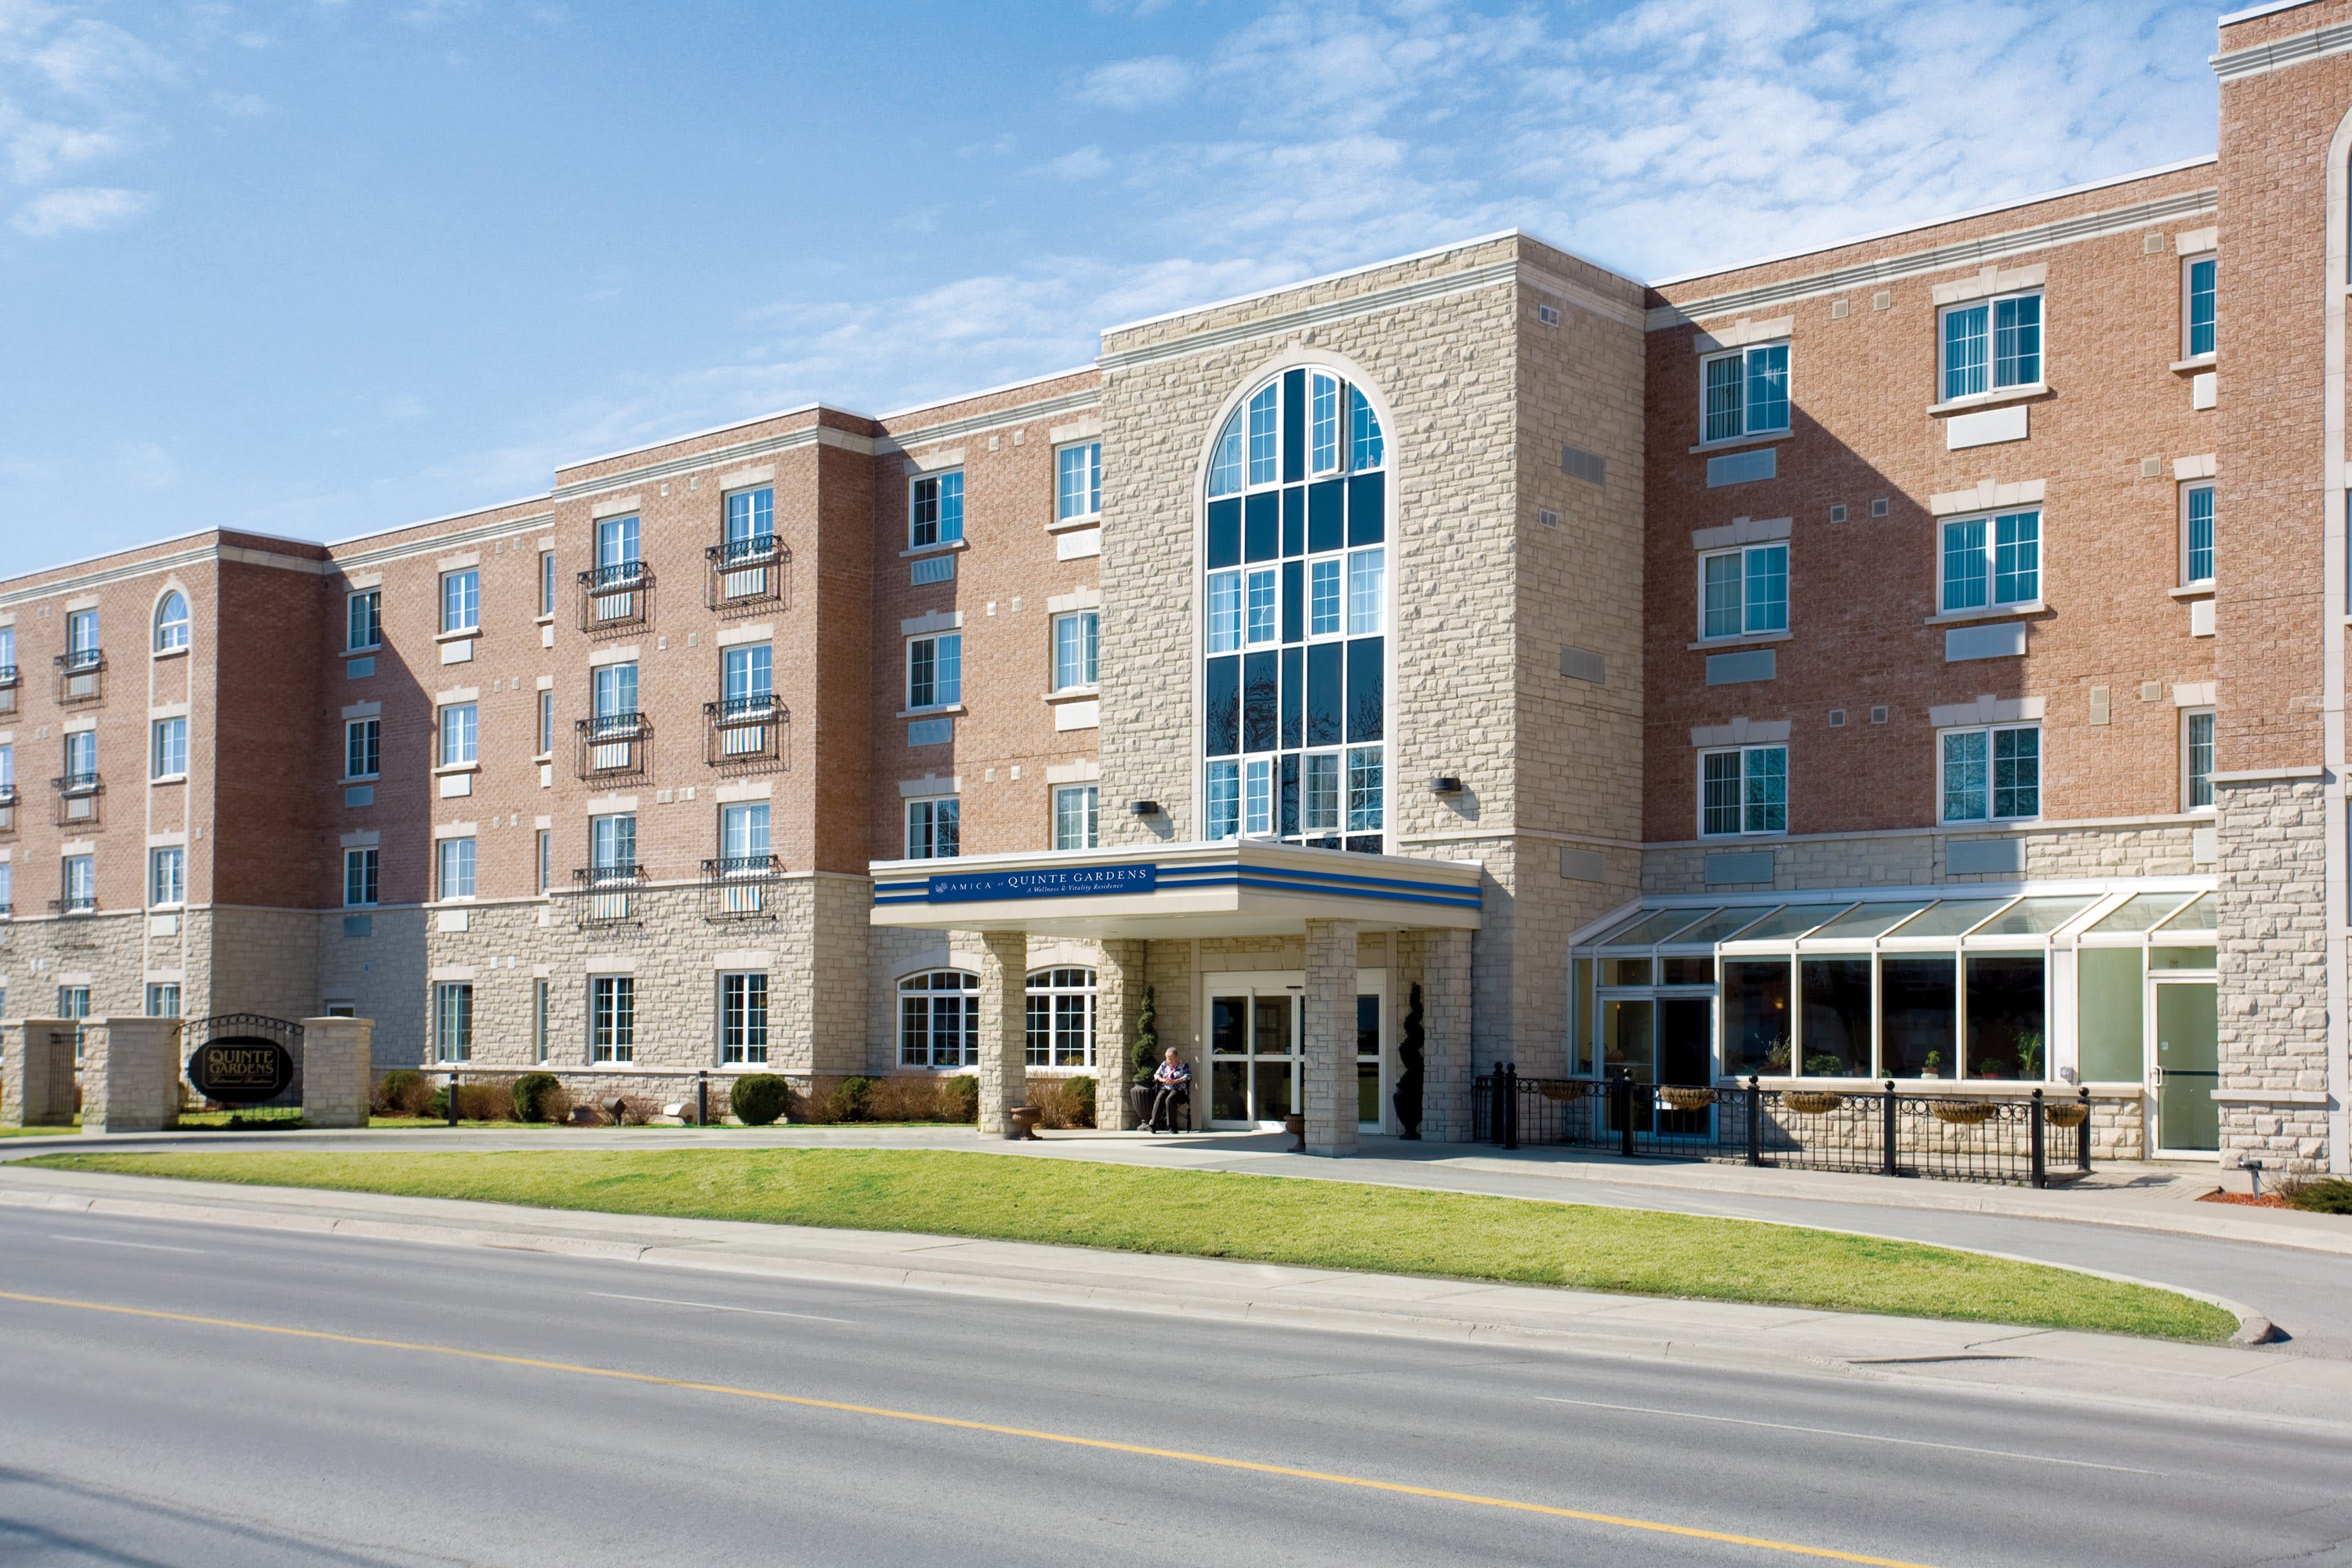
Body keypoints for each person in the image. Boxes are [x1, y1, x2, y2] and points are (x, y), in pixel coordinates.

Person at [1148, 1047, 1192, 1134]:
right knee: (1160, 1097)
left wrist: (1177, 1081)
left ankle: (1172, 1127)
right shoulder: (1164, 1064)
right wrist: (1164, 1080)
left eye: (1171, 1059)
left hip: (1179, 1090)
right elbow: (1156, 1075)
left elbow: (1188, 1076)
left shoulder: (1183, 1066)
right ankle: (1153, 1124)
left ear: (1176, 1058)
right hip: (1166, 1087)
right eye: (1167, 1058)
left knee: (1170, 1099)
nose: (1169, 1061)